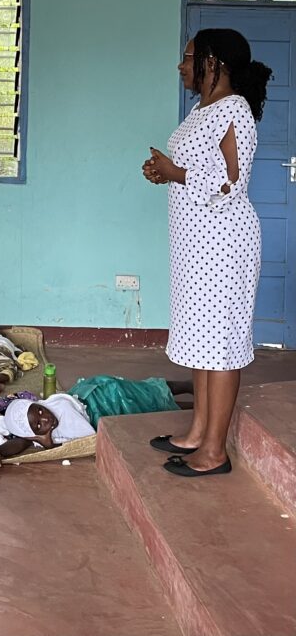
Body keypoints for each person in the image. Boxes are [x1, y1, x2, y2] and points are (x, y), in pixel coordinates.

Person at [142, 28, 271, 477]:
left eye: (189, 56)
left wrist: (174, 171)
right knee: (202, 341)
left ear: (213, 62)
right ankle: (197, 431)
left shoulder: (235, 111)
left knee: (222, 344)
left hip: (224, 247)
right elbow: (199, 171)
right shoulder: (203, 110)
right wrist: (166, 173)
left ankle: (214, 451)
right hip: (197, 248)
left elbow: (232, 181)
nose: (181, 65)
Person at [0, 394, 96, 473]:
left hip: (100, 400)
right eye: (38, 425)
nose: (46, 419)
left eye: (40, 411)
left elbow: (91, 443)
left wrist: (51, 446)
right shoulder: (35, 429)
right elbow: (23, 441)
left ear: (37, 404)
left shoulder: (65, 412)